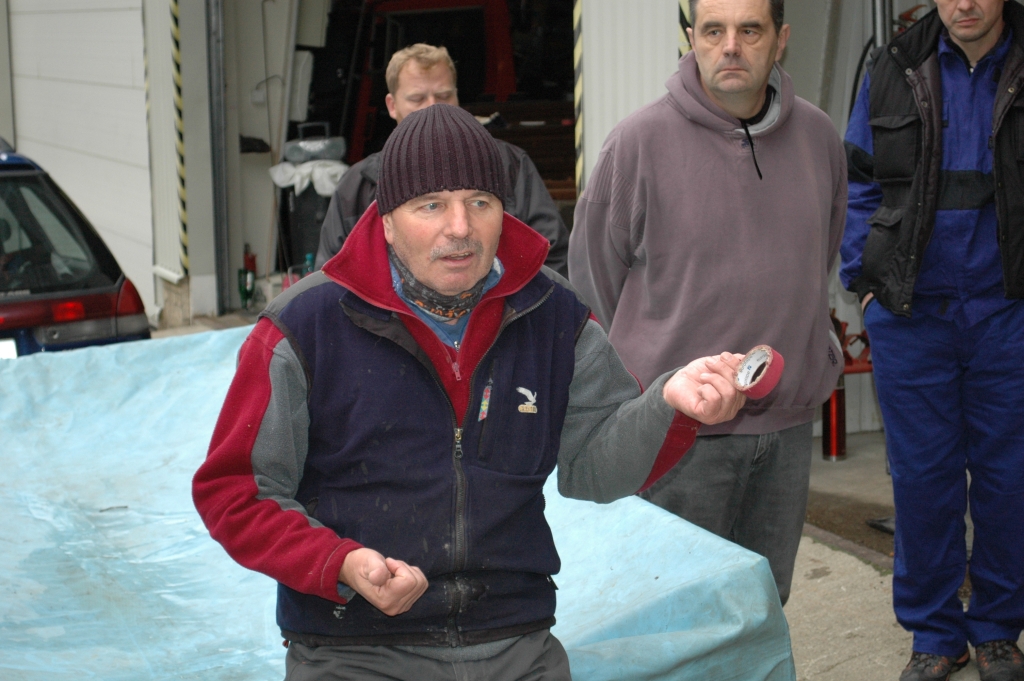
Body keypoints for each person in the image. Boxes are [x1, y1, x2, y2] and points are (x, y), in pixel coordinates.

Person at [193, 104, 751, 680]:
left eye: (480, 202)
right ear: (386, 221)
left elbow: (594, 468)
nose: (460, 227)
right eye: (431, 205)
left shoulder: (553, 314)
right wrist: (340, 562)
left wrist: (668, 404)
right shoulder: (303, 328)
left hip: (512, 637)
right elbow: (236, 492)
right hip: (351, 646)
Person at [567, 0, 846, 608]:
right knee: (673, 619)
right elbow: (593, 285)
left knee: (762, 612)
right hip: (677, 434)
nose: (731, 46)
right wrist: (646, 390)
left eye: (750, 30)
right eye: (714, 30)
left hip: (786, 427)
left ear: (781, 39)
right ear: (692, 37)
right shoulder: (637, 144)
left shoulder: (820, 138)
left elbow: (818, 257)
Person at [842, 0, 1024, 678]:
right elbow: (858, 182)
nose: (964, 4)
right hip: (911, 314)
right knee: (923, 480)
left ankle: (998, 628)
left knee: (1010, 478)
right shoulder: (894, 68)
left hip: (1009, 312)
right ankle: (935, 633)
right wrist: (865, 283)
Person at [315, 43, 570, 276]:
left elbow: (551, 256)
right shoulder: (357, 185)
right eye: (417, 99)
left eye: (444, 96)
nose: (432, 107)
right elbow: (332, 277)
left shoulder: (510, 165)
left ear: (457, 97)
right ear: (392, 105)